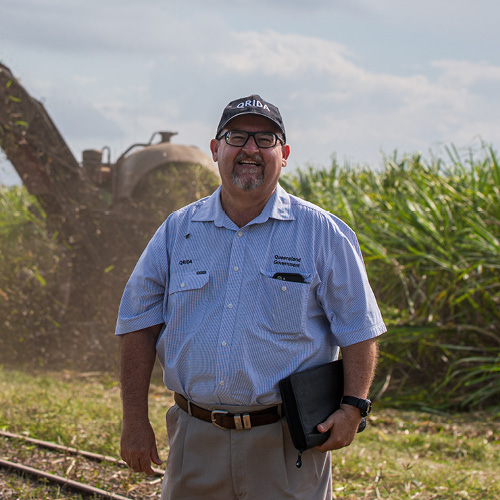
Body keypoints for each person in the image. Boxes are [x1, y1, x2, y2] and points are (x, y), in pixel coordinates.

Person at [116, 94, 386, 500]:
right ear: (215, 149)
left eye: (266, 140)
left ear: (285, 153)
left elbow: (358, 328)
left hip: (287, 445)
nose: (250, 149)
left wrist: (353, 408)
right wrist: (134, 418)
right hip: (195, 439)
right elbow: (138, 324)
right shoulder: (177, 231)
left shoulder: (321, 233)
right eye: (237, 136)